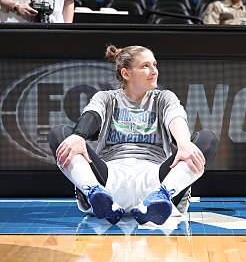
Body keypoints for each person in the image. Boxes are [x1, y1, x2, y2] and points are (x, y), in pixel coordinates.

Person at [48, 45, 219, 225]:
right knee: (60, 134)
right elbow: (93, 116)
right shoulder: (107, 98)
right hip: (108, 180)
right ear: (126, 74)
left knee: (207, 139)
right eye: (145, 66)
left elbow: (175, 117)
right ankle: (93, 192)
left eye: (154, 65)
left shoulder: (164, 98)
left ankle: (162, 196)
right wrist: (79, 136)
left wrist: (184, 143)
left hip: (157, 180)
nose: (154, 71)